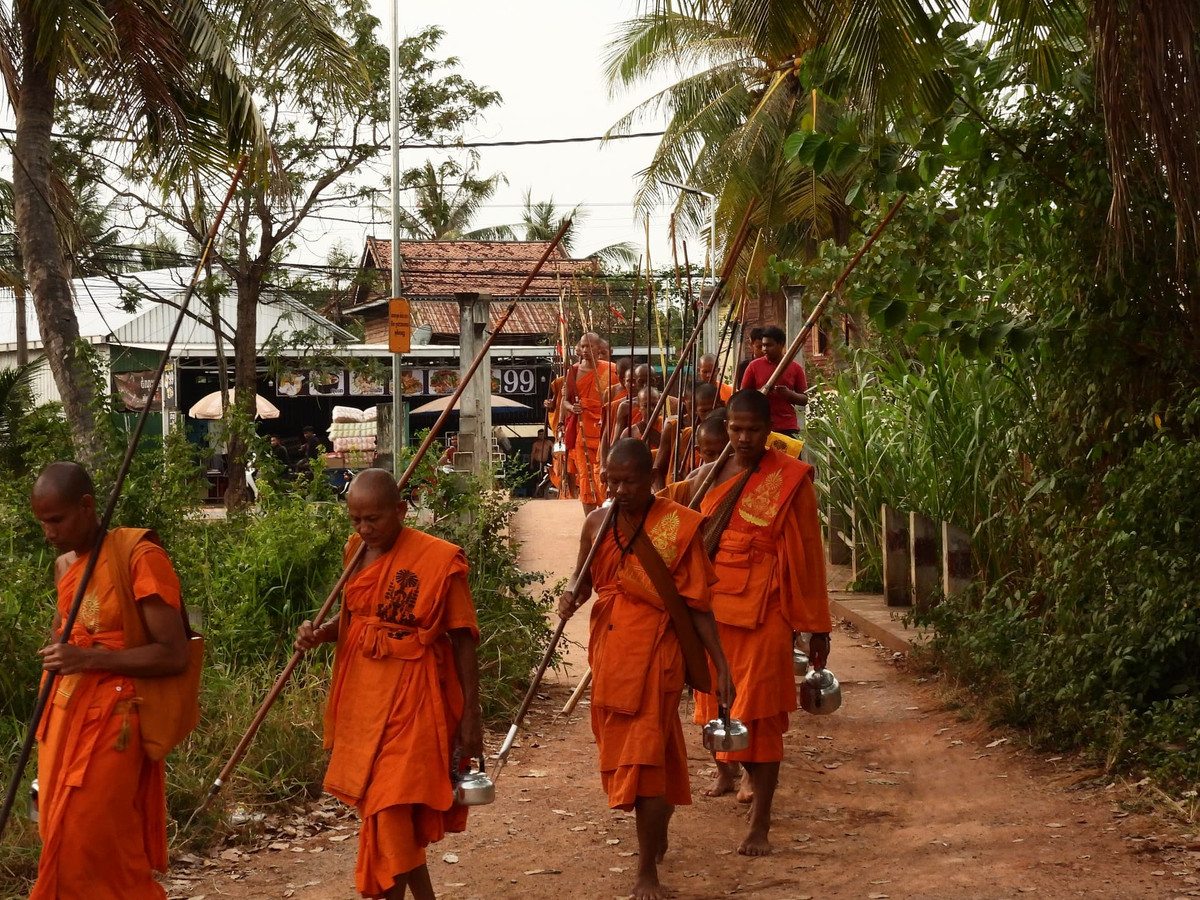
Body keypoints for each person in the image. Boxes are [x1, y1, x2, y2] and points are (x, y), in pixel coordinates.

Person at [295, 469, 482, 900]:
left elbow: (463, 638)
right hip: (364, 701)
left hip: (415, 698)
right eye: (355, 520)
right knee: (389, 816)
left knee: (389, 806)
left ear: (400, 510)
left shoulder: (438, 560)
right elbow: (359, 618)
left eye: (373, 519)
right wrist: (319, 633)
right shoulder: (356, 551)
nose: (364, 529)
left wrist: (471, 716)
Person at [559, 439, 733, 900]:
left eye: (629, 482)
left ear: (650, 480)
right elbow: (582, 581)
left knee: (647, 757)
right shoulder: (597, 523)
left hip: (659, 653)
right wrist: (570, 597)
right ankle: (658, 825)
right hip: (611, 653)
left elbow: (697, 605)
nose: (619, 490)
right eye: (611, 482)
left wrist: (720, 666)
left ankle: (646, 873)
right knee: (641, 756)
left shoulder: (676, 525)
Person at [29, 462, 190, 900]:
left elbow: (173, 653)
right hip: (65, 713)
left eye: (56, 519)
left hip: (118, 718)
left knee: (91, 836)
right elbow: (64, 637)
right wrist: (63, 655)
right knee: (59, 832)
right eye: (42, 522)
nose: (49, 532)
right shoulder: (66, 566)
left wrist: (89, 658)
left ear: (87, 505)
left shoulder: (137, 556)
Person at [686, 390, 831, 856]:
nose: (744, 438)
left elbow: (806, 554)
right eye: (736, 429)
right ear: (726, 427)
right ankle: (732, 773)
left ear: (769, 431)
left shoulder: (789, 479)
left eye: (753, 430)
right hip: (713, 615)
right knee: (721, 710)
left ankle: (760, 821)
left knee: (762, 716)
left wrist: (817, 627)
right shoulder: (708, 475)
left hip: (767, 612)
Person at [560, 333, 619, 514]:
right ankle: (590, 520)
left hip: (605, 432)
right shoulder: (573, 371)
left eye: (590, 346)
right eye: (583, 346)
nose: (585, 350)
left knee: (603, 475)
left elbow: (620, 396)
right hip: (583, 432)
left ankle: (606, 516)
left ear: (599, 349)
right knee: (586, 479)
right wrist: (573, 407)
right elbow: (565, 400)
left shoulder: (611, 370)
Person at [739, 325, 808, 437]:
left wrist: (789, 394)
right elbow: (743, 396)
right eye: (763, 345)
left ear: (781, 344)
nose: (764, 349)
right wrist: (761, 393)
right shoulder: (753, 366)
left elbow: (804, 399)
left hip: (787, 426)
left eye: (769, 345)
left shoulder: (795, 368)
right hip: (760, 425)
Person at [652, 382, 720, 492]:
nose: (709, 415)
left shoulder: (728, 434)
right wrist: (664, 495)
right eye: (704, 411)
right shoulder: (679, 431)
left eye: (713, 409)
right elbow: (657, 470)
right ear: (696, 410)